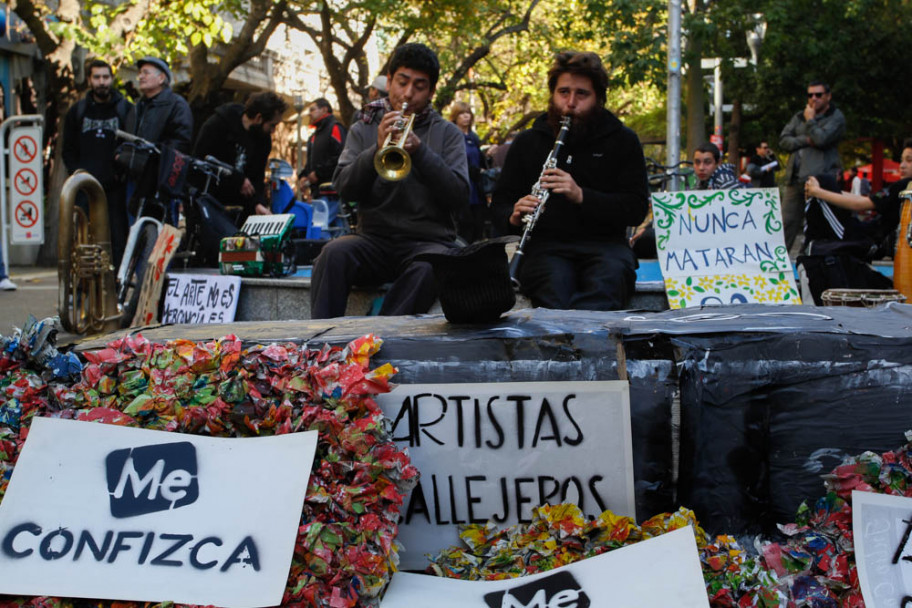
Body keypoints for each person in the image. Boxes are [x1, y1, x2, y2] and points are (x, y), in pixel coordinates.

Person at [309, 43, 470, 318]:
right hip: (374, 240)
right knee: (332, 254)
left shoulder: (449, 134)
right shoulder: (364, 128)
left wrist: (420, 152)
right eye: (402, 82)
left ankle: (379, 340)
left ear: (431, 92)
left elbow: (459, 197)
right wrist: (376, 150)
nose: (408, 93)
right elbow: (344, 187)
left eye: (419, 86)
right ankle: (322, 344)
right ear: (390, 80)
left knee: (433, 267)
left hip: (428, 243)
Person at [492, 50, 649, 311]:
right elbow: (499, 204)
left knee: (606, 285)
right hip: (546, 247)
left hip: (606, 246)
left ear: (599, 98)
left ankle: (592, 350)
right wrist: (513, 215)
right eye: (563, 92)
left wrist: (582, 196)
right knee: (553, 291)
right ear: (552, 95)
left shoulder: (622, 140)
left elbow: (635, 208)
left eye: (582, 94)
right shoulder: (528, 142)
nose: (571, 103)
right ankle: (564, 350)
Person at [62, 59, 135, 267]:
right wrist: (78, 173)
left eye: (105, 77)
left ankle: (115, 287)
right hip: (85, 187)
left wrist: (119, 174)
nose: (102, 82)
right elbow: (67, 149)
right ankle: (84, 288)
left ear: (112, 79)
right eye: (97, 77)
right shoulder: (77, 111)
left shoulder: (126, 109)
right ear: (89, 80)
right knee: (83, 240)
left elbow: (131, 147)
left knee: (117, 239)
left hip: (115, 190)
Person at [805, 139, 912, 258]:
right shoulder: (904, 185)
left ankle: (810, 247)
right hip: (867, 232)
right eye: (902, 160)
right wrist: (822, 191)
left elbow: (861, 204)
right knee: (824, 182)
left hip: (867, 239)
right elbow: (863, 199)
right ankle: (811, 246)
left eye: (909, 160)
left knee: (823, 182)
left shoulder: (905, 185)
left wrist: (817, 191)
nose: (902, 166)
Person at [193, 91, 287, 222]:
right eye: (272, 125)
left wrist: (257, 203)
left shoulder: (264, 141)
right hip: (209, 204)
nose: (273, 131)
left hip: (239, 211)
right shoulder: (218, 124)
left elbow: (256, 179)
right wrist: (237, 178)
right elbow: (201, 161)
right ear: (259, 118)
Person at [779, 81, 846, 252]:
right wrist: (806, 140)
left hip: (820, 180)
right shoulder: (799, 116)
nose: (814, 99)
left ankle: (814, 263)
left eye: (818, 95)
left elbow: (822, 139)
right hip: (795, 179)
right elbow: (784, 141)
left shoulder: (836, 117)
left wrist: (810, 122)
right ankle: (777, 264)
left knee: (818, 225)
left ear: (828, 96)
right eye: (810, 95)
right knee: (785, 223)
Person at [132, 57, 193, 152]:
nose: (140, 77)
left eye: (146, 73)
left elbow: (180, 142)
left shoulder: (177, 105)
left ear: (161, 78)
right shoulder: (139, 105)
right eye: (140, 73)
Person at [450, 100, 488, 243]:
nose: (466, 117)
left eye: (468, 113)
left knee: (478, 223)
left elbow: (478, 158)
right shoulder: (452, 136)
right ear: (455, 117)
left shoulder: (474, 137)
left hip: (477, 187)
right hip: (462, 185)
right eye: (462, 114)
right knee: (464, 226)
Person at [299, 98, 346, 199]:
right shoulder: (314, 136)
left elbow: (341, 157)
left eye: (312, 109)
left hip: (332, 193)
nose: (309, 114)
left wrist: (319, 173)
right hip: (317, 192)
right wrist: (304, 176)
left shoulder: (335, 128)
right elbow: (311, 163)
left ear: (324, 110)